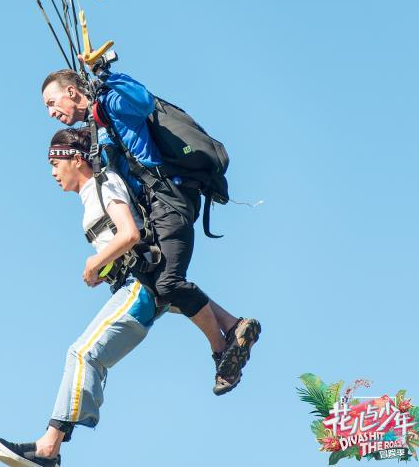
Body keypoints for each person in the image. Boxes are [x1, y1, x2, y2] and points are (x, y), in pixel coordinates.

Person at [41, 66, 260, 394]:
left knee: (168, 284)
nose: (50, 111)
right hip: (156, 210)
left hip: (169, 201)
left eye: (51, 101)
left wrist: (107, 75)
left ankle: (221, 349)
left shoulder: (112, 103)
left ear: (72, 92)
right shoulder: (99, 127)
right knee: (158, 283)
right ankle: (233, 325)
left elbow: (142, 102)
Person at [0, 128, 162, 467]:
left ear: (74, 159)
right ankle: (50, 446)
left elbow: (130, 233)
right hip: (131, 288)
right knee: (86, 355)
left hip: (139, 289)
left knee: (82, 353)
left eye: (54, 165)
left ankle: (48, 448)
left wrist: (94, 263)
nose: (53, 175)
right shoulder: (91, 196)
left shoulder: (104, 184)